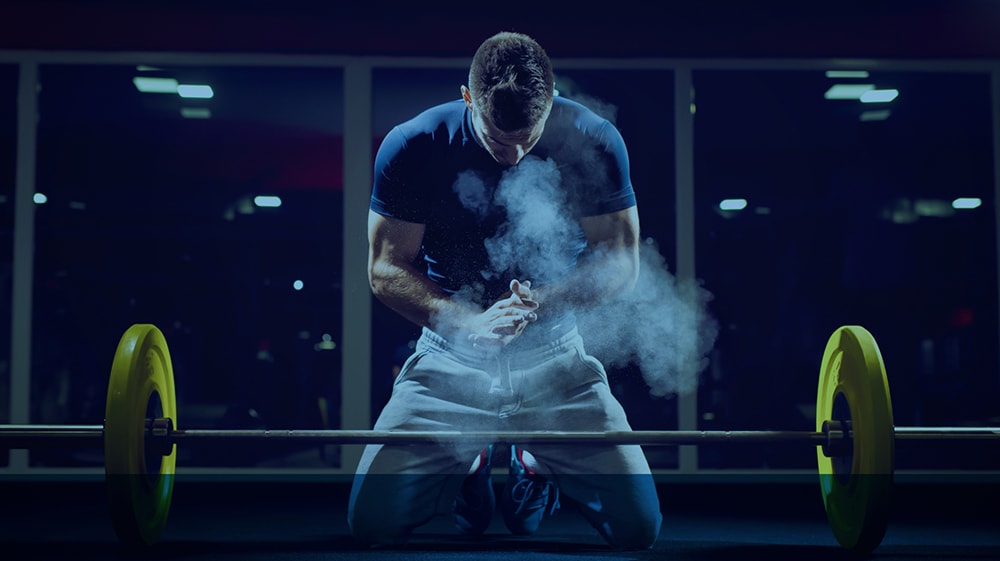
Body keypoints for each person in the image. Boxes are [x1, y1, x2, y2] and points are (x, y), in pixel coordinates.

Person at [348, 31, 662, 549]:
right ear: (468, 96)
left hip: (556, 357)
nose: (514, 157)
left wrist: (540, 304)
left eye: (528, 140)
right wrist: (467, 322)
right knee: (371, 524)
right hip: (450, 357)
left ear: (553, 98)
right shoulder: (414, 144)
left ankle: (533, 462)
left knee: (639, 530)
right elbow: (385, 268)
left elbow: (620, 261)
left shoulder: (594, 138)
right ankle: (467, 460)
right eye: (498, 140)